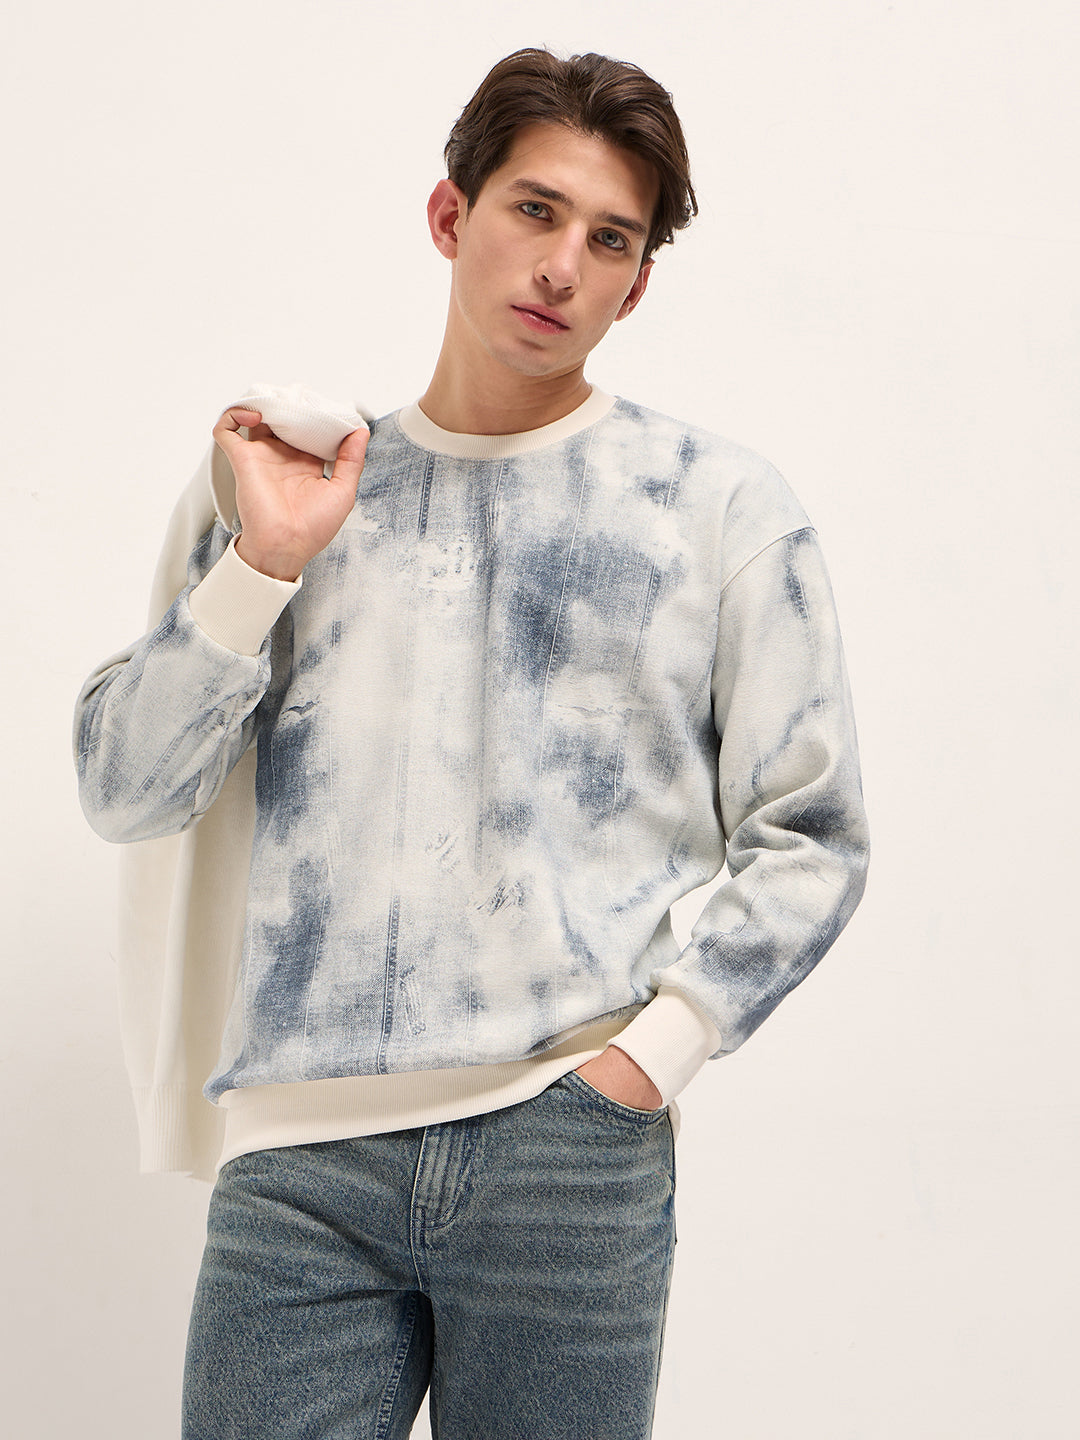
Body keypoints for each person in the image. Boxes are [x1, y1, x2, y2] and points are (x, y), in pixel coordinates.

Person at [74, 46, 869, 1440]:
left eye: (609, 239)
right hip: (301, 1157)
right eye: (535, 210)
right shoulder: (293, 490)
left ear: (637, 283)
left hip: (570, 1147)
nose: (562, 265)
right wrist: (264, 563)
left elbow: (813, 835)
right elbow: (125, 792)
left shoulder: (717, 509)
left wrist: (651, 1060)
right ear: (452, 215)